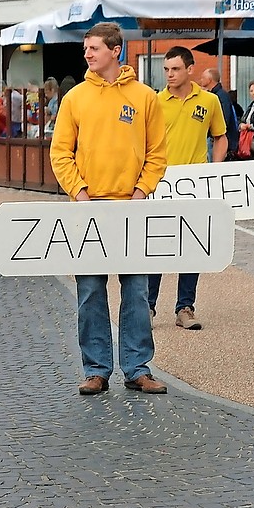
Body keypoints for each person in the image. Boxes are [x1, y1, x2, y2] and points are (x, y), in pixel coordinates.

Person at [50, 22, 168, 396]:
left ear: (115, 50)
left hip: (131, 208)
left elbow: (157, 154)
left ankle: (137, 368)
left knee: (136, 292)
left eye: (95, 48)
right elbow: (60, 153)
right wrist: (79, 193)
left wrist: (140, 191)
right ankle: (96, 369)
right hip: (89, 209)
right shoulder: (75, 98)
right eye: (86, 48)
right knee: (89, 292)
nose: (87, 54)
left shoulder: (145, 97)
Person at [148, 47, 226, 331]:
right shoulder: (155, 101)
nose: (169, 74)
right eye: (166, 69)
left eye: (175, 69)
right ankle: (148, 307)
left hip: (195, 185)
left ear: (190, 69)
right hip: (161, 183)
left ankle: (185, 307)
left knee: (191, 246)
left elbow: (220, 137)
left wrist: (214, 171)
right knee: (155, 246)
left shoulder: (209, 100)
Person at [199, 67, 239, 159]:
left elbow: (224, 119)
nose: (201, 80)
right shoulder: (217, 95)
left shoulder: (220, 96)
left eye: (203, 77)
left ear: (209, 80)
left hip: (220, 141)